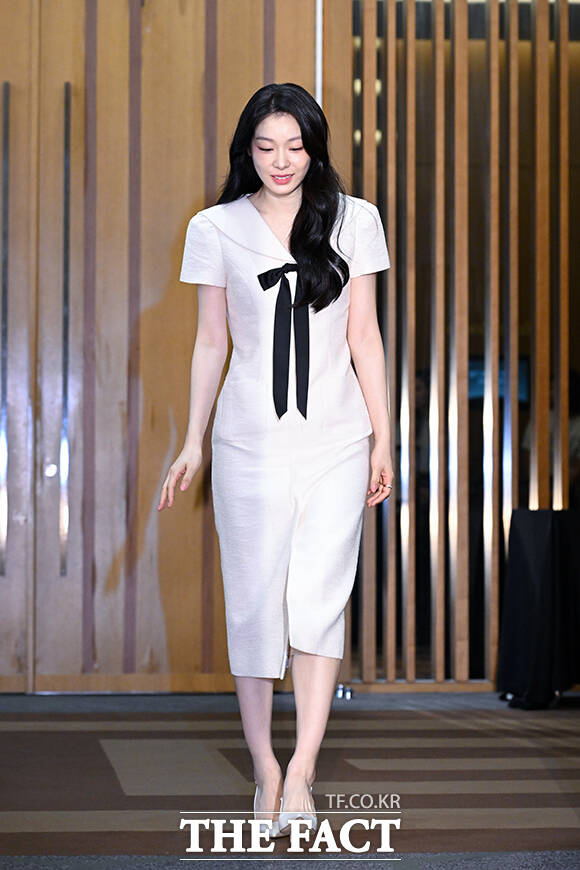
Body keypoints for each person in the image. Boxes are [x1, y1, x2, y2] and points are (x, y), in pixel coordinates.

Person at [158, 83, 393, 839]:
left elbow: (365, 337)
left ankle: (304, 769)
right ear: (247, 151)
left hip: (336, 439)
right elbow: (210, 342)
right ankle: (264, 765)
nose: (281, 161)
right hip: (248, 442)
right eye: (265, 147)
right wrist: (192, 439)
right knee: (255, 603)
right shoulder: (215, 227)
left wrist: (384, 438)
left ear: (314, 149)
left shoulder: (355, 221)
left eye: (295, 146)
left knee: (319, 598)